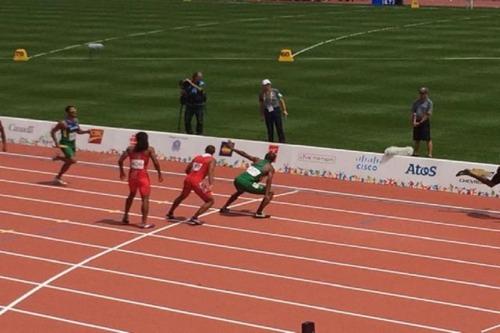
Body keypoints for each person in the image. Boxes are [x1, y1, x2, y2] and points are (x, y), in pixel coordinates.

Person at [118, 132, 163, 229]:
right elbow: (156, 162)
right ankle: (144, 222)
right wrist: (159, 173)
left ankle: (125, 216)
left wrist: (121, 172)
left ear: (136, 139)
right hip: (143, 177)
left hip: (132, 176)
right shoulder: (149, 150)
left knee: (131, 195)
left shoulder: (130, 149)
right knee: (145, 199)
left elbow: (120, 160)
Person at [220, 145, 276, 218]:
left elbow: (244, 154)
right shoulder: (270, 168)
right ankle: (259, 213)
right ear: (273, 160)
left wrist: (232, 149)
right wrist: (266, 194)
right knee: (270, 193)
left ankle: (224, 207)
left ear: (265, 157)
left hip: (238, 179)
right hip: (247, 183)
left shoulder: (257, 160)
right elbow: (269, 180)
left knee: (240, 191)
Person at [166, 145, 216, 225]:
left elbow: (187, 170)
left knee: (182, 196)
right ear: (213, 153)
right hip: (197, 181)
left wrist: (192, 177)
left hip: (188, 179)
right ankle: (194, 218)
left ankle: (170, 213)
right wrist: (211, 184)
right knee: (210, 201)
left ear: (205, 150)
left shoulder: (197, 157)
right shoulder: (211, 160)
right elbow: (211, 171)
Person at [51, 105, 91, 185]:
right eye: (72, 112)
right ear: (68, 113)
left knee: (69, 162)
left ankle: (58, 177)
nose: (75, 113)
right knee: (73, 160)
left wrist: (87, 132)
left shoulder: (76, 120)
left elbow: (78, 131)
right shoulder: (62, 123)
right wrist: (56, 142)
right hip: (65, 144)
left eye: (75, 111)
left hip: (72, 143)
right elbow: (53, 132)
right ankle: (59, 157)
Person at [259, 79, 288, 143]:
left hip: (276, 110)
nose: (266, 87)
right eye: (265, 85)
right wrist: (262, 115)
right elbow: (261, 105)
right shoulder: (262, 94)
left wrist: (284, 110)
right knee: (269, 128)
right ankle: (270, 141)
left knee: (279, 126)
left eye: (267, 85)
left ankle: (282, 141)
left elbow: (281, 100)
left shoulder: (275, 91)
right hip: (267, 111)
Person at [411, 87, 433, 157]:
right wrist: (414, 122)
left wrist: (420, 122)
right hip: (417, 120)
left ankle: (429, 153)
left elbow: (428, 114)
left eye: (423, 93)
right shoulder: (416, 102)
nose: (421, 95)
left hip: (424, 121)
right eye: (420, 93)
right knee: (417, 138)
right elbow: (414, 112)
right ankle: (416, 152)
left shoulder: (429, 103)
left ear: (426, 94)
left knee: (427, 138)